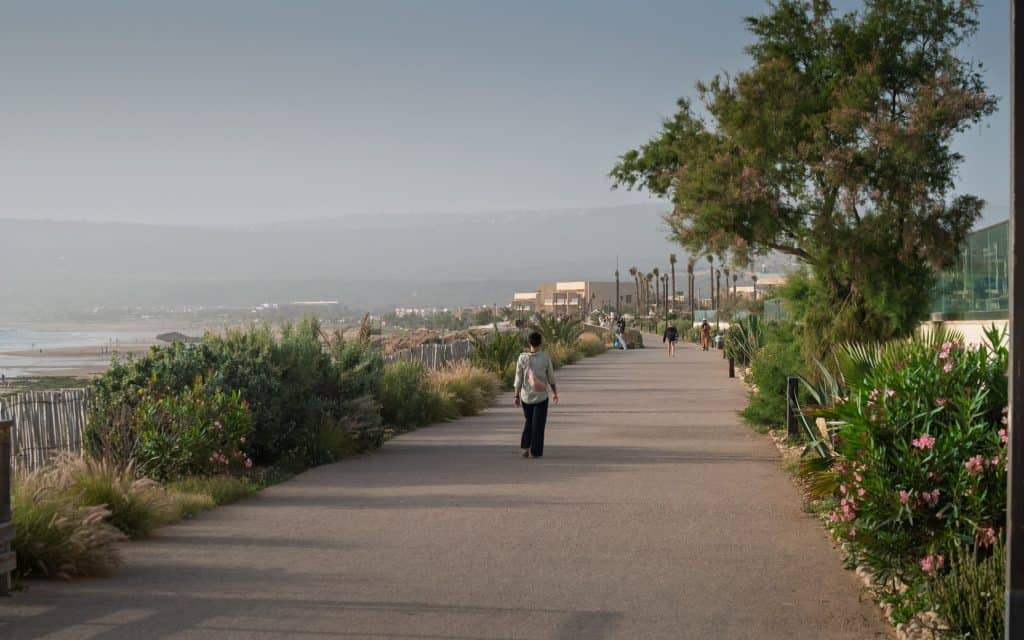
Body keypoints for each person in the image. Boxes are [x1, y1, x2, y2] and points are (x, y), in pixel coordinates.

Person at [514, 331, 558, 458]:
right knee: (538, 424)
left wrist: (516, 396)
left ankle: (525, 448)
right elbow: (551, 378)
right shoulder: (545, 357)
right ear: (541, 343)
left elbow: (518, 379)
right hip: (541, 397)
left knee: (529, 421)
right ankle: (536, 451)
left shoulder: (522, 358)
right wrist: (555, 393)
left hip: (525, 397)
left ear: (529, 343)